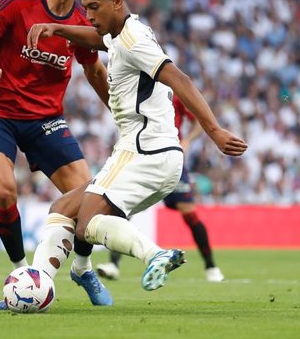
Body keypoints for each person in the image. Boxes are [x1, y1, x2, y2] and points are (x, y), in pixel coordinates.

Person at [26, 0, 247, 296]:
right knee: (63, 209)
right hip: (154, 154)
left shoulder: (133, 39)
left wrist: (213, 131)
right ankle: (38, 289)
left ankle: (155, 254)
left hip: (143, 151)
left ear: (117, 2)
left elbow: (180, 79)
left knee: (87, 224)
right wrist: (57, 28)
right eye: (85, 8)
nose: (88, 15)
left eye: (94, 8)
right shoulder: (117, 35)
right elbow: (95, 38)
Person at [0, 0, 113, 310]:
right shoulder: (16, 4)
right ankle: (21, 275)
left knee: (90, 197)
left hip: (45, 119)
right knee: (3, 191)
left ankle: (82, 267)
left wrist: (120, 111)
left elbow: (94, 71)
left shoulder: (82, 23)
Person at [96, 96, 225, 282]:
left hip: (170, 158)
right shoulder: (137, 88)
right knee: (124, 208)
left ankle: (211, 266)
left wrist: (187, 140)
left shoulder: (174, 90)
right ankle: (113, 265)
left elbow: (198, 119)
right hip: (142, 159)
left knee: (188, 212)